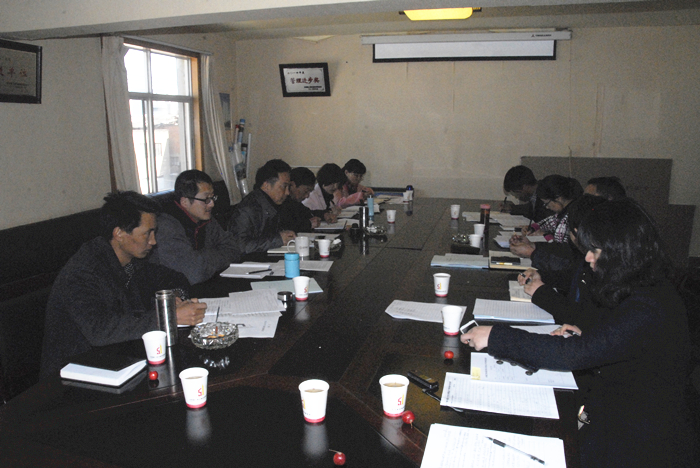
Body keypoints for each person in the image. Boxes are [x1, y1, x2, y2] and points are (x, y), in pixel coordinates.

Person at [462, 199, 698, 468]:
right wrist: (589, 332)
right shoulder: (639, 284)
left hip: (643, 436)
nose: (587, 257)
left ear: (622, 251)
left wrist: (495, 336)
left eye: (594, 250)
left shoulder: (649, 306)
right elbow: (614, 337)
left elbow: (575, 354)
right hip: (620, 408)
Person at [40, 191, 207, 378]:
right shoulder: (83, 272)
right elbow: (99, 330)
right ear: (119, 233)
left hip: (120, 362)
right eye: (147, 233)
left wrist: (172, 299)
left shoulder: (131, 260)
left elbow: (174, 278)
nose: (153, 241)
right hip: (71, 376)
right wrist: (168, 317)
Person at [150, 170, 241, 284]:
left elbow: (234, 249)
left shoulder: (206, 218)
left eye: (212, 198)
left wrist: (201, 258)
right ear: (185, 202)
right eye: (206, 199)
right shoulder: (166, 226)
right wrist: (212, 254)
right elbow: (194, 273)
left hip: (208, 283)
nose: (212, 204)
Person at [227, 159, 296, 254]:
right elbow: (240, 246)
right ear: (266, 185)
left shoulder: (273, 204)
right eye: (284, 186)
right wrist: (278, 240)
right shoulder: (248, 208)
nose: (287, 192)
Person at [509, 175, 582, 257]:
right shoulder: (563, 212)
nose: (547, 207)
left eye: (547, 203)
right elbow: (549, 222)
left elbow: (560, 250)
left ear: (558, 198)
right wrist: (532, 229)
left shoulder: (571, 217)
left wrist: (543, 237)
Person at [278, 167, 322, 233]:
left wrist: (324, 215)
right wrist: (308, 224)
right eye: (306, 191)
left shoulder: (294, 201)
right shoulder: (281, 201)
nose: (307, 196)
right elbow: (286, 225)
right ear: (293, 185)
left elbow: (308, 212)